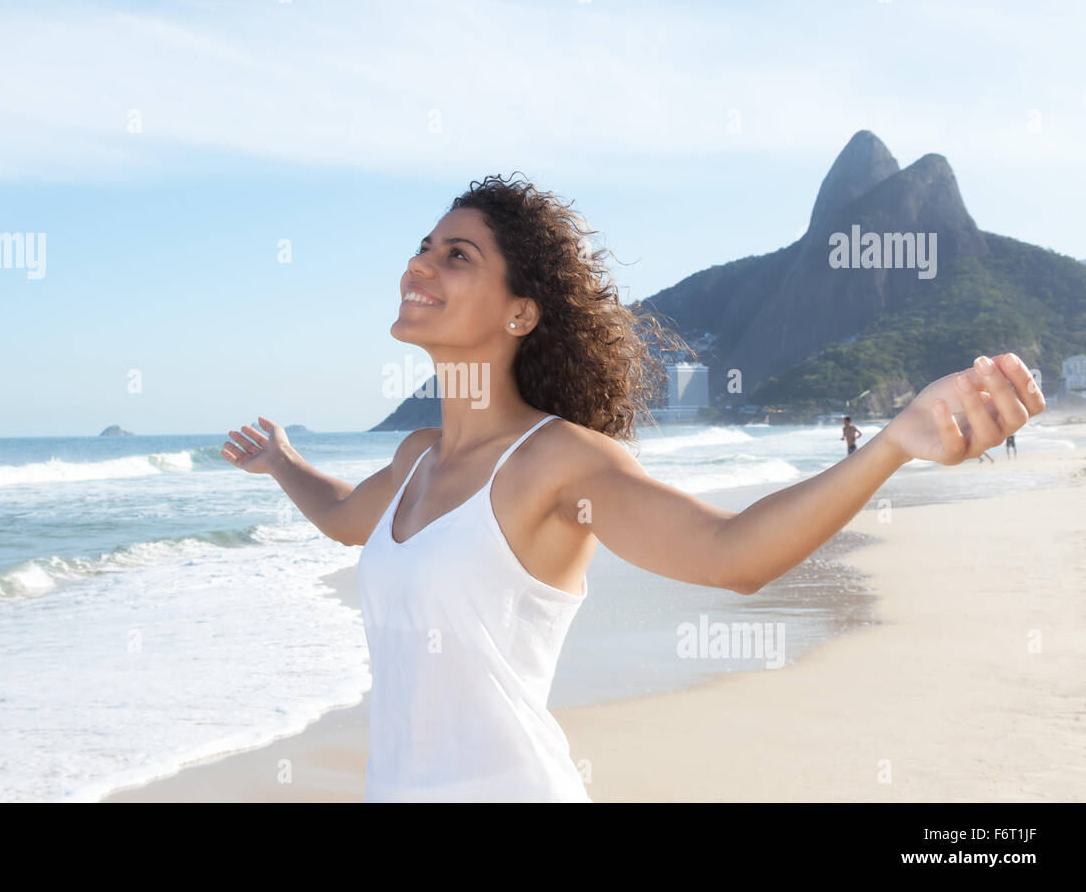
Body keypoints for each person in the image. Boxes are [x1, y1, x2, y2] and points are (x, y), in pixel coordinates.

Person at [220, 173, 1045, 802]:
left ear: (520, 314)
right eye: (425, 245)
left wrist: (892, 445)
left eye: (456, 254)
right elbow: (342, 518)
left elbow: (730, 553)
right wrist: (283, 461)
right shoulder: (415, 458)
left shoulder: (560, 464)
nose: (421, 263)